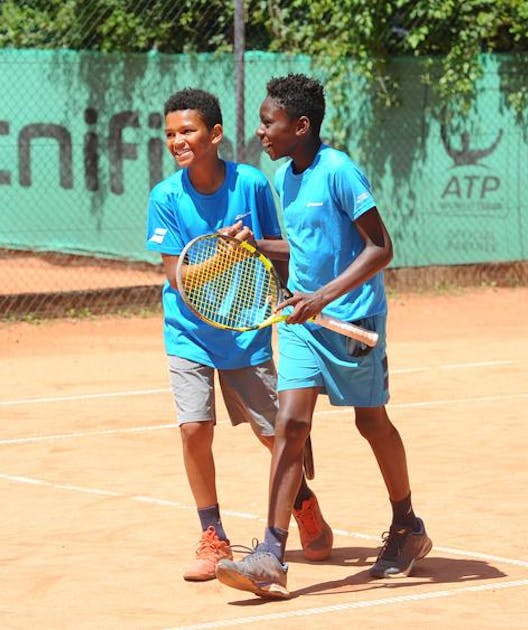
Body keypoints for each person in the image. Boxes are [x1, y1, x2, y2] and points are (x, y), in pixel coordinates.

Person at [215, 74, 432, 599]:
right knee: (290, 422)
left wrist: (323, 298)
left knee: (371, 423)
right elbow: (307, 251)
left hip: (351, 323)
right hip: (303, 323)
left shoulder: (338, 171)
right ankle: (270, 552)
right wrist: (256, 244)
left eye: (270, 123)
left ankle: (408, 525)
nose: (261, 132)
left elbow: (380, 248)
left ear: (302, 125)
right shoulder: (288, 176)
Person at [145, 87, 333, 583]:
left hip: (246, 327)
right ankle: (213, 536)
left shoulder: (250, 183)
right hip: (187, 331)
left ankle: (303, 503)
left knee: (273, 434)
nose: (177, 141)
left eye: (187, 131)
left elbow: (282, 250)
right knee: (193, 428)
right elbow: (178, 278)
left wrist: (283, 284)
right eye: (169, 134)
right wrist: (224, 256)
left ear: (215, 134)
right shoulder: (164, 198)